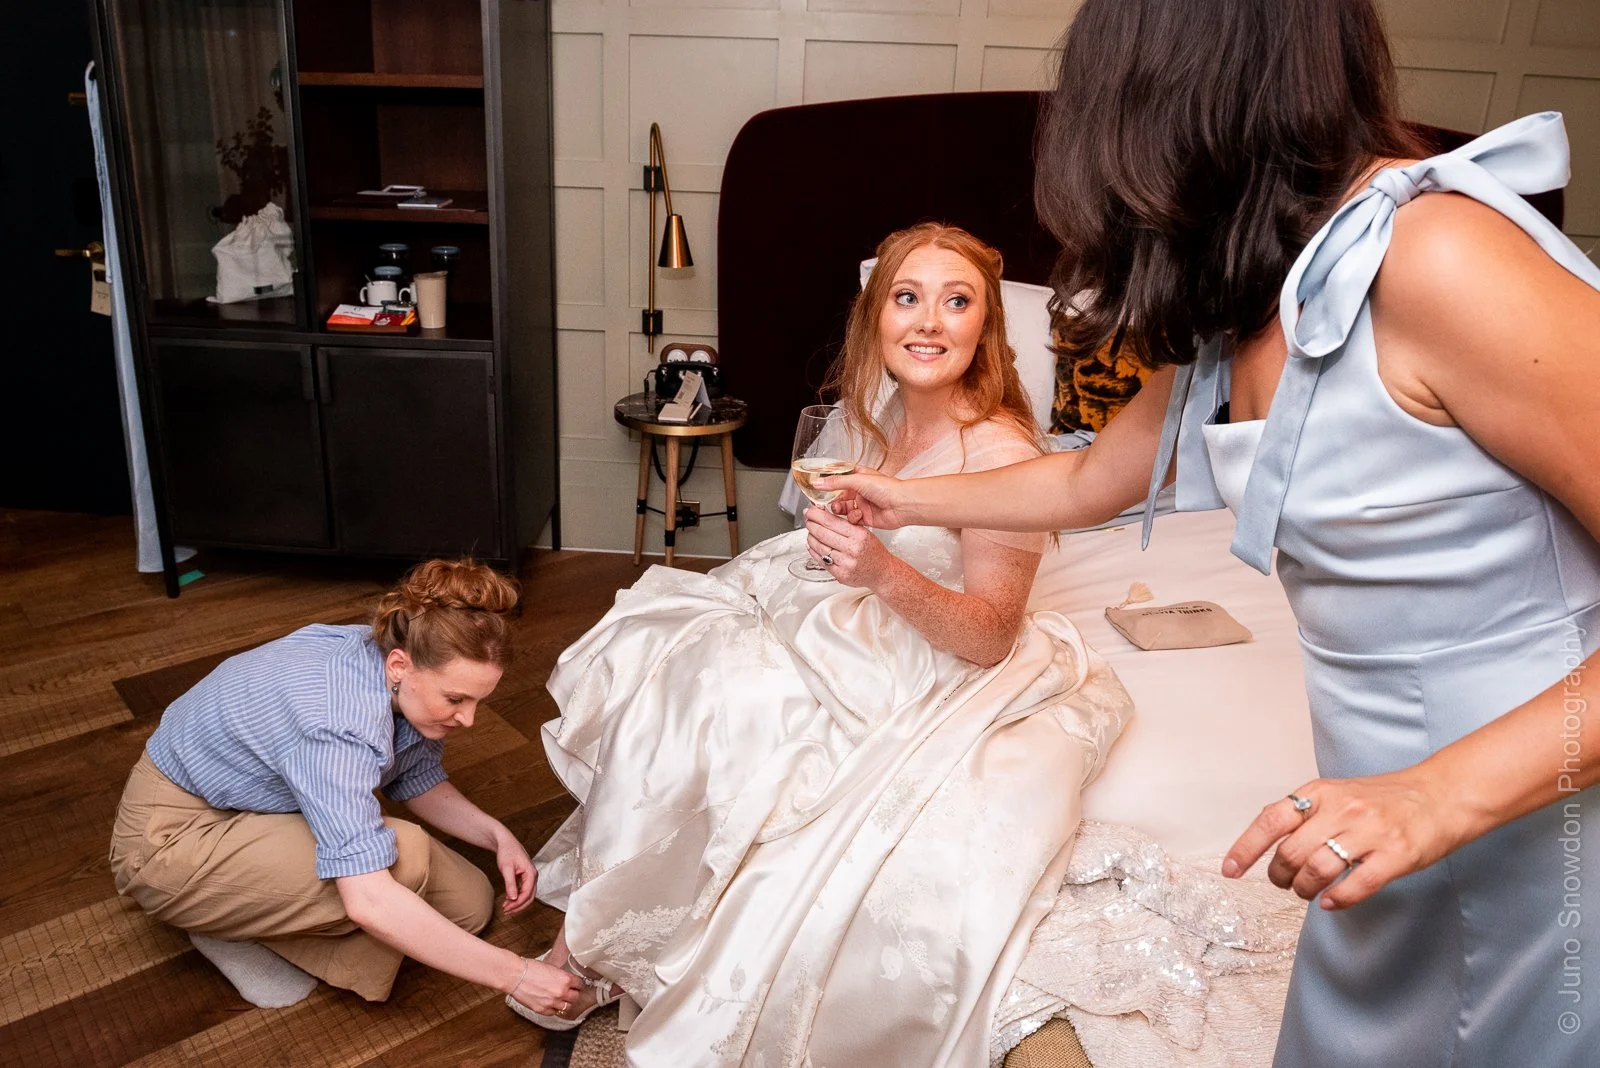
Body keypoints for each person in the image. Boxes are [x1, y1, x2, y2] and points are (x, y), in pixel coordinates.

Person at [816, 1, 1600, 1065]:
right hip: (1371, 823)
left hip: (1533, 815)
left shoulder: (1439, 256)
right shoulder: (1258, 298)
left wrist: (1440, 795)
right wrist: (903, 500)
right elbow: (1089, 478)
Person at [515, 223, 1134, 1065]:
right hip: (843, 612)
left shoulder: (999, 450)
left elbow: (990, 635)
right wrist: (844, 547)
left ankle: (602, 949)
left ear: (985, 326)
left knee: (732, 706)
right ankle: (602, 937)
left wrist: (880, 571)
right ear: (876, 317)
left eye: (957, 302)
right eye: (908, 298)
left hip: (927, 653)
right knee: (669, 661)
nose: (929, 321)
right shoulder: (870, 413)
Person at [109, 559, 584, 1017]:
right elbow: (369, 898)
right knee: (405, 857)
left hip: (257, 804)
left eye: (478, 700)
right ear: (399, 666)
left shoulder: (397, 662)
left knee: (471, 905)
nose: (469, 719)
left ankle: (251, 904)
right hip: (172, 837)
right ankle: (222, 921)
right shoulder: (337, 722)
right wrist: (516, 975)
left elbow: (414, 777)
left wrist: (498, 836)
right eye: (455, 699)